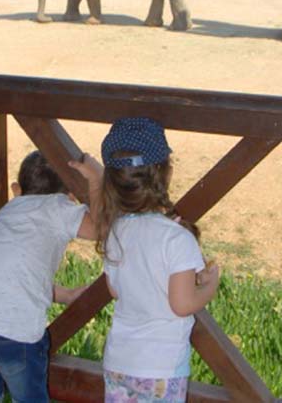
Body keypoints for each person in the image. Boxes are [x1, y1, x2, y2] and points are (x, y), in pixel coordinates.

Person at [77, 117, 220, 403]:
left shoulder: (116, 232)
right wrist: (210, 285)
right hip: (161, 368)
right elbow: (182, 304)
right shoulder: (177, 239)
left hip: (119, 361)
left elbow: (116, 289)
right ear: (165, 174)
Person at [0, 150, 102, 403]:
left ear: (16, 189)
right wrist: (97, 180)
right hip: (14, 326)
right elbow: (101, 228)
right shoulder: (61, 207)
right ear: (71, 196)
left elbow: (11, 274)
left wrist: (63, 294)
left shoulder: (9, 210)